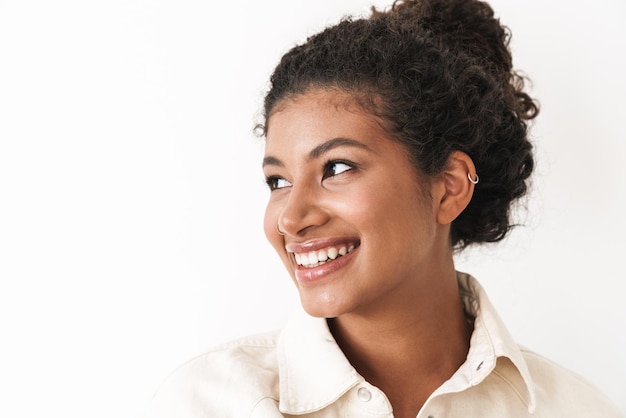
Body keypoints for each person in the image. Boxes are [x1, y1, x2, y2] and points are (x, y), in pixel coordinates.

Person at [147, 0, 623, 416]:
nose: (292, 219)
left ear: (449, 187)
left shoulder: (575, 410)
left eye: (336, 168)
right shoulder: (206, 403)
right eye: (279, 180)